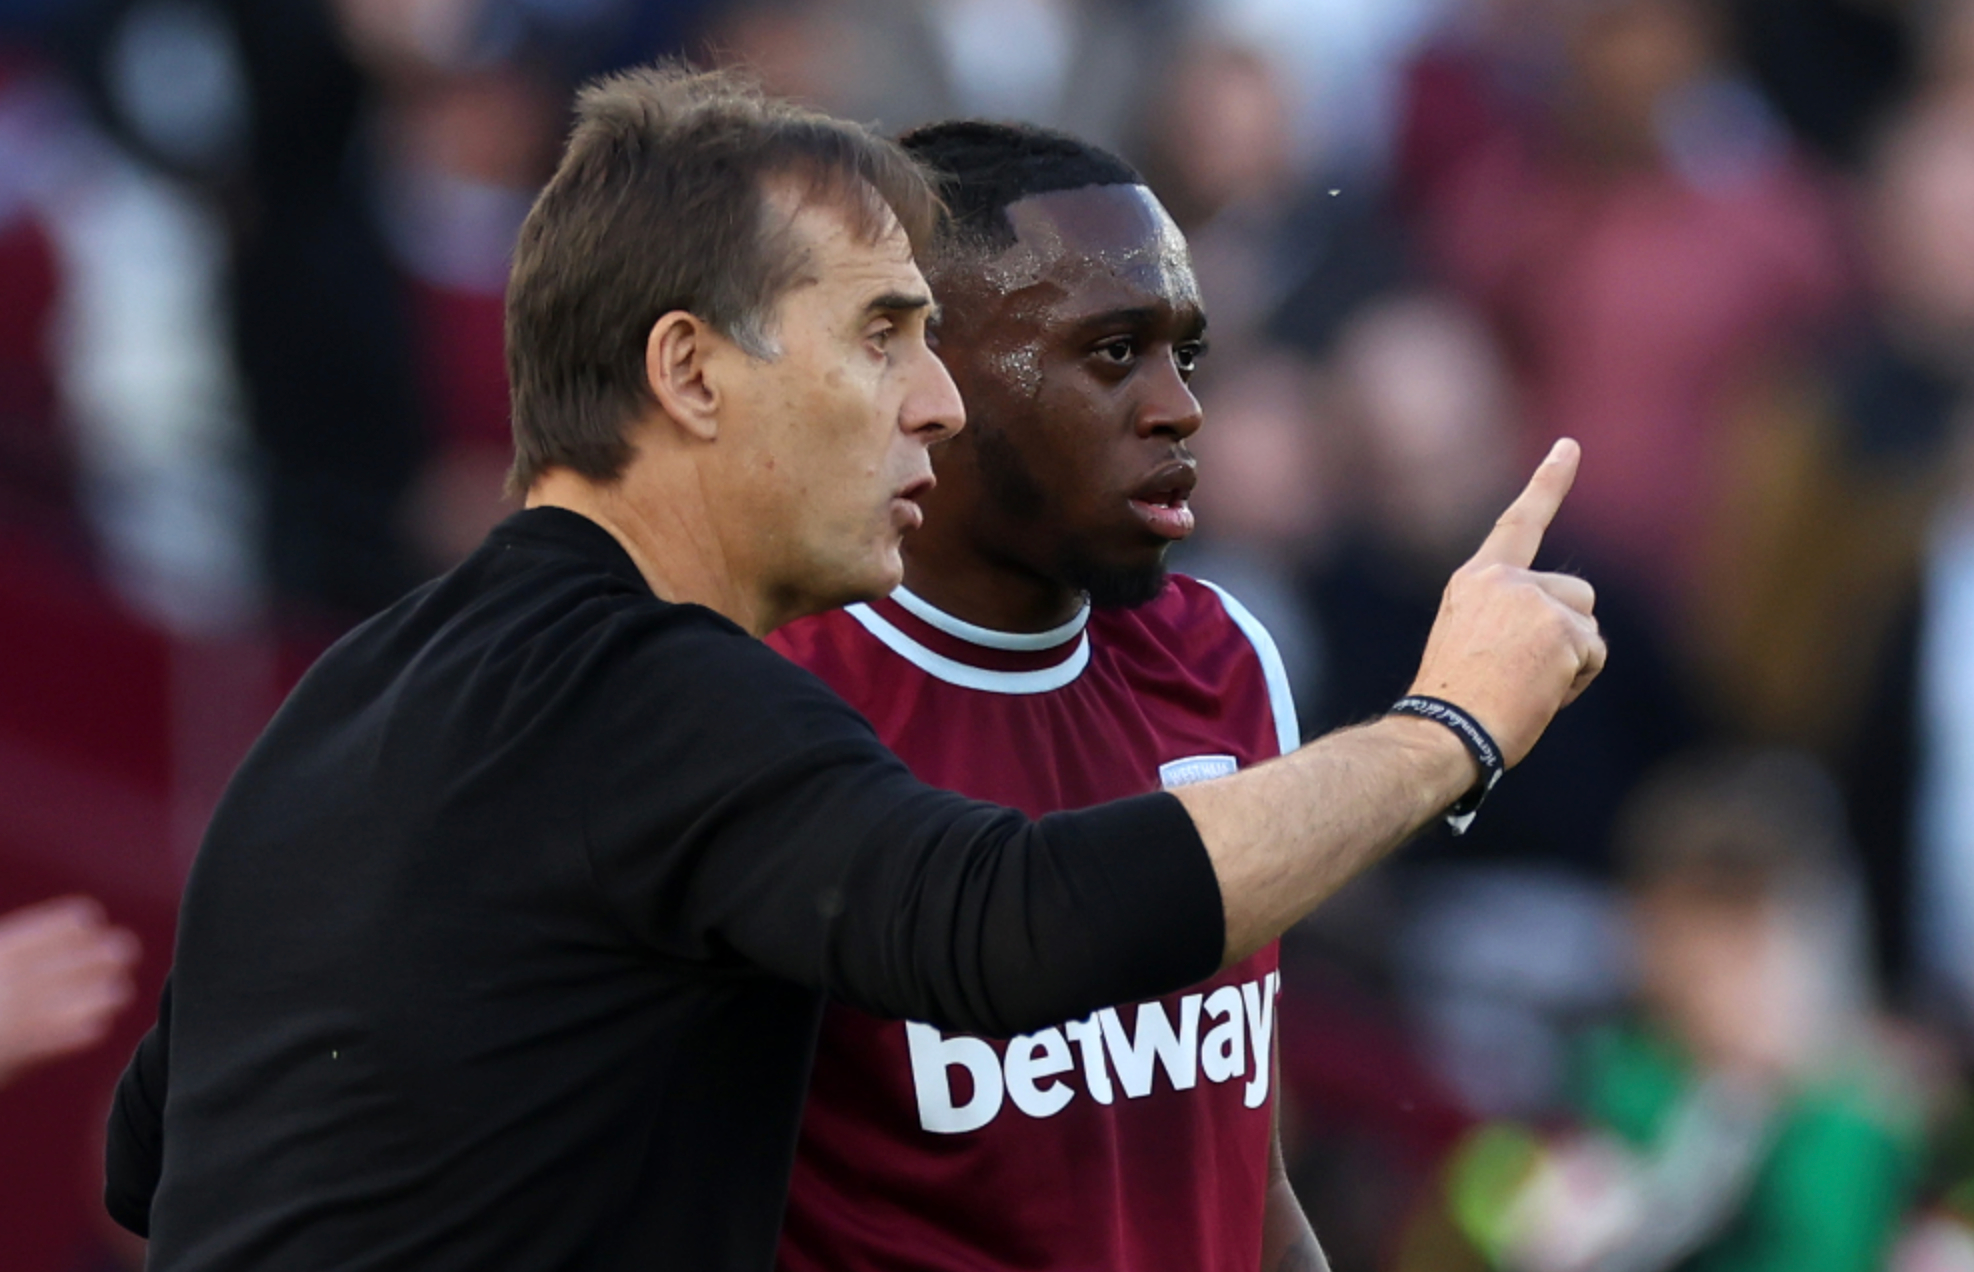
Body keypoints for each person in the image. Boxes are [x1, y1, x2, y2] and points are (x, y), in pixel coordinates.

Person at [105, 65, 1602, 1271]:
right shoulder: (673, 699)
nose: (933, 402)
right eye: (883, 335)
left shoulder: (356, 695)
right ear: (691, 373)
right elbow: (1008, 923)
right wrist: (1445, 726)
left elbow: (150, 1150)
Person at [768, 120, 1321, 1271]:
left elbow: (1247, 1173)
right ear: (920, 371)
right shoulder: (765, 695)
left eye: (1187, 354)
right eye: (1115, 353)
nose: (1180, 409)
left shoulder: (1226, 663)